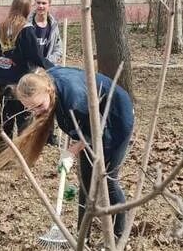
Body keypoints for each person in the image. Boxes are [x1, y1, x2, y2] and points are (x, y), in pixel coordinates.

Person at [8, 67, 134, 238]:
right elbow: (76, 125)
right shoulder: (43, 80)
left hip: (116, 117)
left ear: (49, 91)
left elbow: (95, 130)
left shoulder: (74, 100)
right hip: (90, 119)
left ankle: (119, 235)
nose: (36, 112)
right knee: (86, 181)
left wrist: (73, 150)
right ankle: (83, 236)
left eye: (39, 106)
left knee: (108, 179)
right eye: (29, 108)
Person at [0, 0, 53, 145]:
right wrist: (52, 68)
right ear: (27, 10)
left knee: (6, 117)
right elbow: (36, 56)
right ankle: (23, 151)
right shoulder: (26, 30)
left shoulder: (1, 26)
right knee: (24, 117)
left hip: (3, 80)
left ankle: (3, 153)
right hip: (22, 82)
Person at [29, 0, 64, 65]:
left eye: (44, 3)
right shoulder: (27, 25)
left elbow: (58, 49)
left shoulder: (53, 26)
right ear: (34, 3)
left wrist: (47, 62)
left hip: (48, 68)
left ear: (49, 5)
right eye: (38, 3)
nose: (40, 6)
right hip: (30, 69)